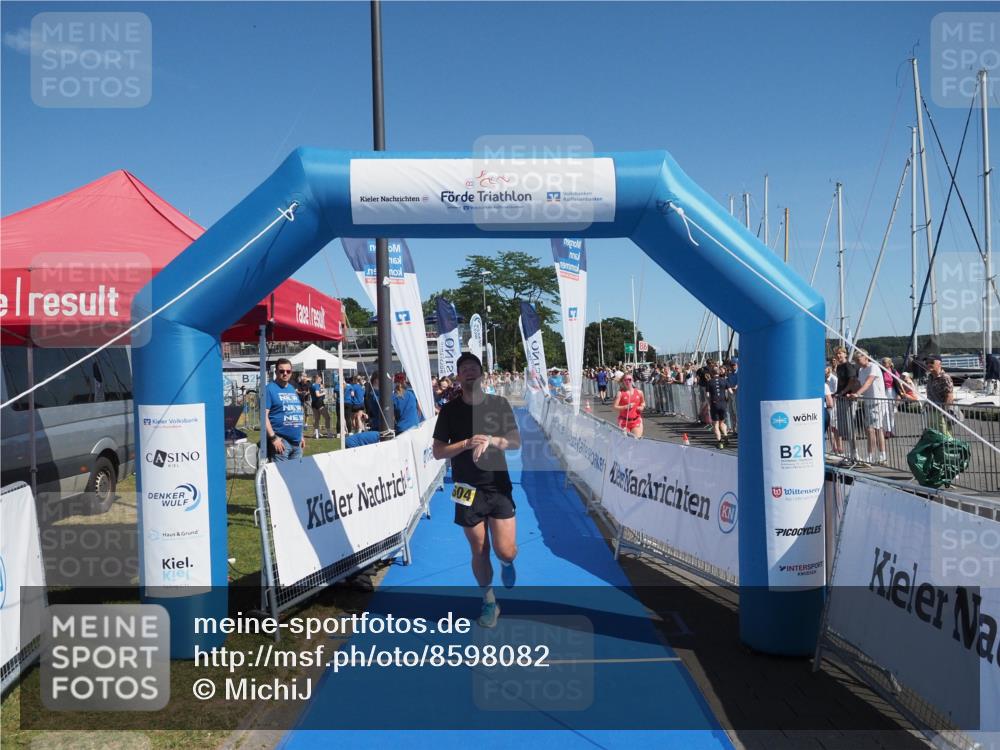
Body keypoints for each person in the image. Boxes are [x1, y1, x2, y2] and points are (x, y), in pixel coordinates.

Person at [432, 353, 521, 628]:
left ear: (482, 374)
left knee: (505, 550)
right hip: (466, 489)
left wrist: (493, 440)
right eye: (464, 369)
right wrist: (467, 443)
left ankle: (506, 564)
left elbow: (515, 441)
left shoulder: (499, 403)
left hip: (498, 486)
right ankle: (490, 602)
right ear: (458, 376)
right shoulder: (449, 410)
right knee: (479, 549)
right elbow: (437, 452)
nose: (469, 372)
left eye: (474, 368)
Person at [849, 351, 887, 465]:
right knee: (875, 429)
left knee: (872, 429)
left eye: (858, 360)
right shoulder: (861, 370)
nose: (857, 363)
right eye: (855, 361)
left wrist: (857, 394)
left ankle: (871, 456)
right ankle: (882, 455)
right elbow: (860, 385)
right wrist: (851, 393)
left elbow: (868, 382)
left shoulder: (873, 367)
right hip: (868, 402)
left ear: (865, 357)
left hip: (877, 401)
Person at [264, 358, 306, 461]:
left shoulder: (291, 388)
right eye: (281, 371)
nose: (285, 373)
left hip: (297, 443)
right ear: (276, 372)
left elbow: (296, 411)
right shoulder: (269, 389)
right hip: (281, 442)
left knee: (295, 475)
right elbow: (263, 416)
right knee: (279, 475)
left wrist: (301, 436)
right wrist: (274, 438)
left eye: (288, 371)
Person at [832, 347, 862, 464]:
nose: (838, 356)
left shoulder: (848, 366)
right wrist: (838, 392)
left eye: (840, 353)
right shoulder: (839, 367)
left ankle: (855, 454)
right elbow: (841, 382)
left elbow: (852, 381)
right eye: (837, 354)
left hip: (848, 398)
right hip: (841, 398)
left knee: (850, 427)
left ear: (845, 354)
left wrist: (843, 392)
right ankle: (850, 454)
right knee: (844, 428)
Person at [925, 355, 955, 436]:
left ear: (939, 364)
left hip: (941, 412)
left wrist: (944, 412)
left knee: (945, 436)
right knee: (934, 435)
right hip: (931, 411)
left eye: (931, 362)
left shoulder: (945, 377)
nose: (928, 364)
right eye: (927, 362)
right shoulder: (930, 377)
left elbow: (949, 396)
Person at [705, 364, 731, 449]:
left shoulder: (709, 382)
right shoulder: (724, 380)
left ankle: (720, 443)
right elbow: (730, 392)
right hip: (723, 404)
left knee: (715, 424)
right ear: (719, 372)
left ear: (712, 373)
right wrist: (726, 398)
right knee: (722, 422)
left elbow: (708, 395)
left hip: (714, 404)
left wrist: (709, 402)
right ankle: (726, 436)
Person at [613, 373, 645, 438]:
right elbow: (615, 407)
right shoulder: (620, 393)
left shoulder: (639, 392)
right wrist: (625, 407)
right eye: (626, 380)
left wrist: (642, 407)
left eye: (629, 379)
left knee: (636, 442)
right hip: (624, 422)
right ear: (623, 381)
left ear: (632, 380)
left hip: (636, 421)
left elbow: (643, 402)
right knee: (625, 443)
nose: (628, 381)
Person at [880, 357, 900, 437]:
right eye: (883, 363)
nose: (883, 364)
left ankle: (891, 429)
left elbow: (899, 381)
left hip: (892, 391)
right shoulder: (881, 372)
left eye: (885, 363)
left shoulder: (893, 371)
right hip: (884, 391)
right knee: (885, 411)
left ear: (889, 363)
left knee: (891, 412)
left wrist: (899, 394)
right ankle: (887, 430)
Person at [310, 373, 332, 439]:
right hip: (319, 403)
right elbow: (317, 395)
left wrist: (321, 389)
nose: (321, 380)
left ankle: (317, 434)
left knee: (317, 419)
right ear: (317, 379)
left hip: (314, 404)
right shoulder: (316, 385)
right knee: (327, 417)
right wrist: (324, 393)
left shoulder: (312, 385)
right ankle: (328, 433)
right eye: (320, 379)